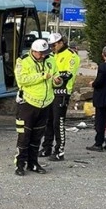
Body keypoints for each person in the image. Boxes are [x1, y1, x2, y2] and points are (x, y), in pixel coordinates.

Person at [13, 39, 60, 176]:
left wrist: (58, 81)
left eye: (45, 53)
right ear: (34, 51)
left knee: (37, 136)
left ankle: (33, 163)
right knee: (24, 136)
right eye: (41, 53)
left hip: (45, 103)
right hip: (28, 104)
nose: (44, 55)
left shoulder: (50, 59)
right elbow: (22, 80)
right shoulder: (23, 61)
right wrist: (42, 76)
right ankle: (20, 164)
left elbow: (55, 75)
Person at [40, 33, 80, 161]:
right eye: (50, 46)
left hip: (62, 93)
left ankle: (59, 151)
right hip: (50, 92)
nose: (52, 47)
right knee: (48, 122)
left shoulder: (71, 55)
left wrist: (53, 76)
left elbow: (67, 74)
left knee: (58, 122)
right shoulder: (52, 55)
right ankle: (47, 148)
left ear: (61, 42)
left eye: (54, 45)